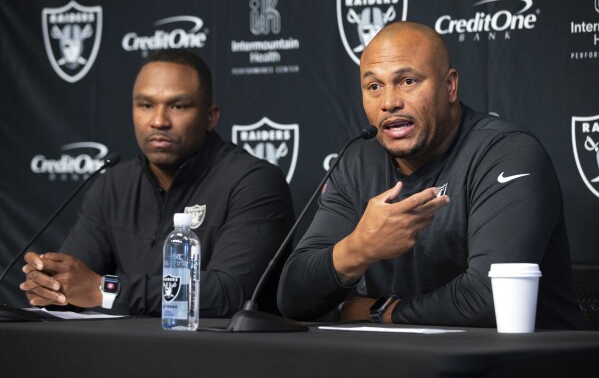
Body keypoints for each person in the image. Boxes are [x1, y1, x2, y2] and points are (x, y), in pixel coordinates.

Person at [277, 21, 587, 329]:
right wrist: (359, 248)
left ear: (450, 86)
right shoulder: (357, 161)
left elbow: (490, 297)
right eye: (374, 86)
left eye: (408, 81)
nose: (389, 102)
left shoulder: (507, 152)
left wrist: (383, 311)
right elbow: (293, 298)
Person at [20, 49, 294, 317]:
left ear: (211, 117)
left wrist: (106, 289)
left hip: (225, 356)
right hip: (128, 355)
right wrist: (51, 285)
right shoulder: (113, 185)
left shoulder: (253, 181)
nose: (159, 121)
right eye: (146, 105)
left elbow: (229, 292)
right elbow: (74, 283)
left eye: (177, 106)